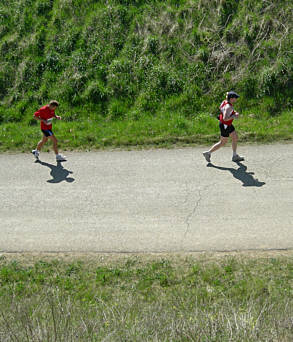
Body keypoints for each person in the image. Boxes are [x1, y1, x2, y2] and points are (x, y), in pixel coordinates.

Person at [203, 91, 244, 163]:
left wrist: (233, 112)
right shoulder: (228, 107)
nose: (236, 99)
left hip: (227, 124)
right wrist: (234, 116)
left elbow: (221, 108)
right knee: (223, 142)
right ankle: (208, 153)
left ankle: (235, 156)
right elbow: (225, 118)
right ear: (231, 99)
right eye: (235, 98)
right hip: (225, 125)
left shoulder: (225, 101)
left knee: (235, 137)